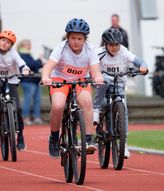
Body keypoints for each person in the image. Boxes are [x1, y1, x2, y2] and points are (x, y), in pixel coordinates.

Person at [41, 18, 104, 158]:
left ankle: (88, 139)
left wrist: (97, 77)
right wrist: (45, 77)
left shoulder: (91, 49)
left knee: (87, 103)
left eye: (79, 38)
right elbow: (49, 66)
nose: (76, 41)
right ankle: (54, 138)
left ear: (85, 39)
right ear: (67, 37)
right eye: (73, 38)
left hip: (80, 80)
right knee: (58, 106)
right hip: (60, 80)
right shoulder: (61, 48)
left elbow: (95, 70)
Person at [93, 28, 148, 159]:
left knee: (124, 108)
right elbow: (89, 64)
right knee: (104, 81)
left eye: (116, 44)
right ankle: (96, 109)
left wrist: (143, 67)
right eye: (111, 45)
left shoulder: (124, 51)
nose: (114, 48)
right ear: (105, 44)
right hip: (103, 82)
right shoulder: (98, 53)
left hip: (119, 84)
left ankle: (124, 145)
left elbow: (139, 61)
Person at [0, 30, 30, 150]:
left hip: (12, 80)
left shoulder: (13, 53)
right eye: (3, 40)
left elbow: (21, 63)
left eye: (8, 42)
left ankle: (20, 136)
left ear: (11, 46)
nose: (5, 43)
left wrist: (25, 69)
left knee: (18, 108)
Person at [17, 39, 46, 125]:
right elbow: (30, 64)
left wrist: (39, 63)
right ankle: (25, 117)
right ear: (24, 45)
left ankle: (36, 117)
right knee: (28, 100)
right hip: (28, 81)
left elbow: (34, 65)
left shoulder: (28, 54)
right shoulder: (21, 54)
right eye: (29, 44)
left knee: (37, 100)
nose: (30, 46)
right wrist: (40, 60)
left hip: (35, 81)